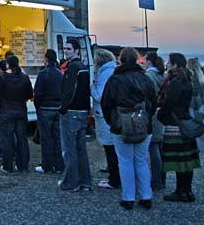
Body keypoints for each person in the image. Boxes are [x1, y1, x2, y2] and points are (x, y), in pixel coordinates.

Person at [101, 47, 157, 210]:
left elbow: (106, 103)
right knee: (141, 160)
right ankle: (146, 196)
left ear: (121, 60)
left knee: (125, 161)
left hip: (121, 124)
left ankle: (128, 198)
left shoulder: (115, 79)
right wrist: (145, 118)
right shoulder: (146, 79)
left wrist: (112, 122)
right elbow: (153, 103)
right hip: (143, 124)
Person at [157, 53, 201, 202]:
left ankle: (180, 191)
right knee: (187, 161)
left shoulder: (175, 82)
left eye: (169, 63)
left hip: (175, 124)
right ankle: (187, 191)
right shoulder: (187, 80)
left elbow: (168, 104)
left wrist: (161, 115)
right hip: (185, 122)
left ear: (175, 65)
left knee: (179, 161)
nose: (167, 65)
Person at [58, 38, 92, 192]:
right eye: (64, 49)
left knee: (69, 149)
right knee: (81, 149)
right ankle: (85, 181)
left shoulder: (72, 68)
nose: (66, 51)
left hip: (71, 113)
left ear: (77, 51)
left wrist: (63, 107)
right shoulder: (83, 67)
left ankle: (71, 183)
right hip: (83, 112)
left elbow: (69, 91)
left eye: (69, 49)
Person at [0, 55, 33, 173]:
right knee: (22, 139)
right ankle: (23, 165)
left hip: (7, 111)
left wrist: (0, 109)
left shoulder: (3, 77)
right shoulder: (25, 78)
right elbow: (29, 95)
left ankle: (7, 166)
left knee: (8, 139)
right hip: (21, 110)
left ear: (8, 64)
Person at [91, 48, 121, 190]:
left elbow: (99, 95)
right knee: (113, 147)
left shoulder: (104, 73)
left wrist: (91, 87)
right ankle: (115, 174)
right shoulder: (112, 70)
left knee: (110, 147)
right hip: (111, 114)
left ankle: (114, 179)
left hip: (104, 114)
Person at [33, 49, 64, 174]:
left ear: (46, 59)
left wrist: (38, 107)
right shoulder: (60, 74)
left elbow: (38, 94)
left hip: (45, 109)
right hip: (58, 108)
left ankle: (46, 165)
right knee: (58, 138)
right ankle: (59, 165)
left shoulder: (43, 74)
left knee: (46, 138)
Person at [144, 52, 165, 191]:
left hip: (152, 113)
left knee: (153, 147)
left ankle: (156, 180)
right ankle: (161, 178)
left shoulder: (148, 76)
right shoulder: (161, 76)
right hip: (160, 112)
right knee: (159, 147)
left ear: (149, 61)